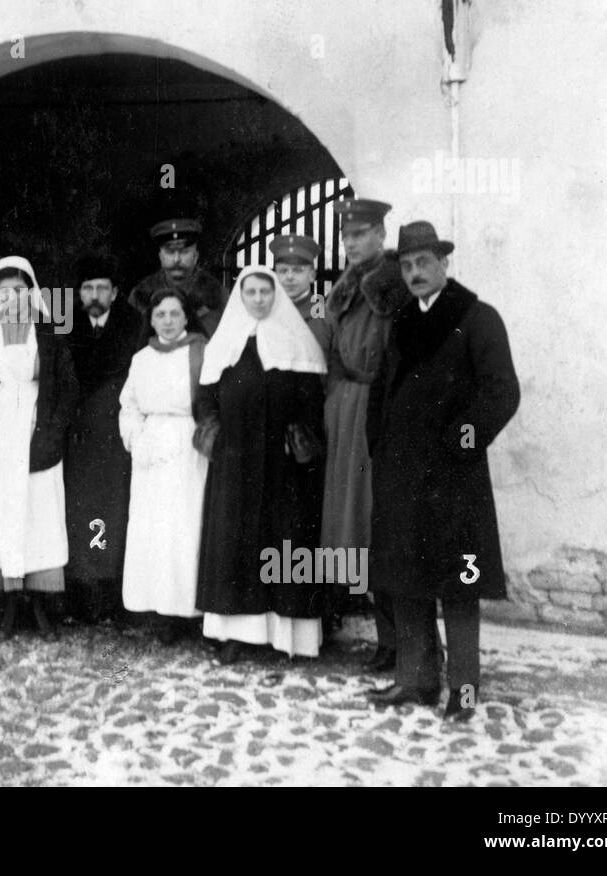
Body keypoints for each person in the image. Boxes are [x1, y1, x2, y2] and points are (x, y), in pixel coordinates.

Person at [366, 223, 520, 720]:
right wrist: (380, 445)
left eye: (423, 263)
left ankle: (465, 691)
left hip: (455, 480)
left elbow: (501, 391)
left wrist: (463, 440)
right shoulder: (402, 322)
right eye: (406, 265)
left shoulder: (478, 318)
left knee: (458, 586)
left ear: (444, 263)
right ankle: (416, 682)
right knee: (406, 582)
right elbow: (381, 391)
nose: (414, 273)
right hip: (403, 478)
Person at [195, 265, 328, 662]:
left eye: (265, 293)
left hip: (281, 466)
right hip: (234, 463)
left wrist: (298, 439)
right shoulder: (223, 345)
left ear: (275, 297)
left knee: (282, 543)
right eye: (250, 292)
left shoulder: (296, 342)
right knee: (234, 546)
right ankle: (237, 634)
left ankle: (288, 636)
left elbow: (311, 401)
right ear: (240, 296)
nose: (258, 299)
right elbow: (204, 401)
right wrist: (216, 436)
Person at [319, 198, 409, 669]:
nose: (352, 244)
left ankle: (402, 642)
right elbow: (334, 351)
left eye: (361, 234)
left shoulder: (395, 285)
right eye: (347, 236)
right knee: (357, 526)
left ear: (380, 234)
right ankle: (385, 638)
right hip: (348, 412)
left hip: (382, 411)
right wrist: (336, 399)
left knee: (383, 526)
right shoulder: (343, 288)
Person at [0, 255, 78, 640]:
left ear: (31, 293)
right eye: (4, 291)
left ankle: (39, 604)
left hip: (37, 436)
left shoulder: (48, 333)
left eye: (19, 290)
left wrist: (51, 435)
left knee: (38, 518)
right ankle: (10, 605)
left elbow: (68, 388)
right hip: (1, 437)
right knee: (3, 517)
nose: (12, 298)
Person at [118, 288, 209, 641]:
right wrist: (136, 439)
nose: (168, 322)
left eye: (174, 314)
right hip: (152, 449)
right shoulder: (142, 358)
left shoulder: (202, 351)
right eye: (160, 315)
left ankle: (192, 611)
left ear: (186, 316)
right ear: (151, 320)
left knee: (187, 529)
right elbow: (129, 404)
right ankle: (162, 613)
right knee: (154, 531)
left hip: (190, 445)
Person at [62, 254, 140, 623]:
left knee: (110, 512)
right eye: (88, 288)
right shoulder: (66, 329)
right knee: (80, 514)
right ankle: (80, 596)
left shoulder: (134, 328)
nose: (95, 295)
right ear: (79, 293)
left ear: (115, 293)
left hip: (112, 437)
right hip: (78, 439)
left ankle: (110, 597)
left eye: (102, 288)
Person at [127, 217, 227, 337]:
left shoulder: (217, 294)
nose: (176, 259)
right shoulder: (141, 295)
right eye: (169, 252)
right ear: (160, 256)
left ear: (196, 255)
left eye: (184, 251)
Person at [270, 233, 328, 352]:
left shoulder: (323, 314)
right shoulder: (264, 310)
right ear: (275, 275)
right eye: (283, 270)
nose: (289, 277)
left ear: (312, 275)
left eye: (297, 270)